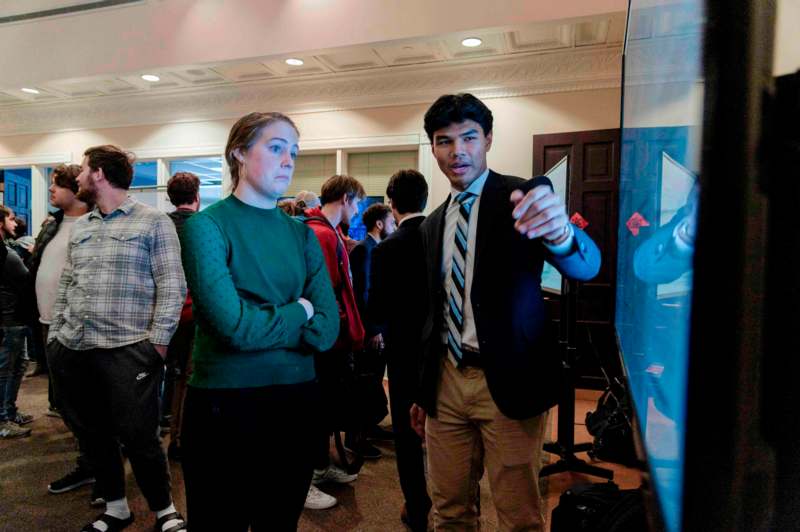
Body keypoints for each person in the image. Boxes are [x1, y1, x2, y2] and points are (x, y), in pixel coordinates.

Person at [410, 93, 601, 530]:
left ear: (488, 139)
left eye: (469, 137)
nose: (457, 151)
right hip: (445, 382)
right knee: (448, 509)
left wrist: (561, 234)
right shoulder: (433, 223)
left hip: (510, 382)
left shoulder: (524, 196)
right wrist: (423, 390)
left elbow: (585, 266)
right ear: (434, 148)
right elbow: (432, 313)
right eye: (444, 141)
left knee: (518, 515)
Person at [180, 112, 339, 530]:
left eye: (294, 152)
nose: (288, 160)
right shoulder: (206, 226)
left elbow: (327, 328)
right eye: (275, 147)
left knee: (279, 522)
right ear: (238, 152)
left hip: (296, 402)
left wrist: (270, 321)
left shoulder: (303, 233)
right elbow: (232, 327)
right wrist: (298, 310)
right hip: (224, 405)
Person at [47, 145, 188, 532]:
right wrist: (56, 335)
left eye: (83, 170)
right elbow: (67, 285)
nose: (77, 178)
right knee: (94, 436)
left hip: (129, 350)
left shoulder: (153, 222)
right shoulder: (83, 226)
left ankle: (164, 511)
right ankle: (116, 508)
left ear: (99, 174)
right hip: (75, 347)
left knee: (140, 436)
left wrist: (156, 346)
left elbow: (172, 286)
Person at [28, 164, 101, 504]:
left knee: (90, 404)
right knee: (67, 404)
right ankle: (91, 462)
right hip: (48, 323)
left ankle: (100, 468)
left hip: (79, 327)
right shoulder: (54, 224)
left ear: (77, 189)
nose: (50, 192)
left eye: (56, 186)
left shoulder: (95, 224)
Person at [367, 169, 432, 530]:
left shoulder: (387, 248)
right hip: (442, 351)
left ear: (391, 204)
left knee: (407, 438)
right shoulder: (440, 237)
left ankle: (418, 507)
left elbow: (376, 308)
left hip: (404, 353)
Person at [301, 174, 366, 510]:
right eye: (356, 203)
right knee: (317, 408)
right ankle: (308, 478)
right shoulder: (320, 233)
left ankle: (322, 467)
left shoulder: (328, 232)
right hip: (324, 339)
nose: (357, 212)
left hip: (331, 338)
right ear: (345, 199)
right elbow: (322, 293)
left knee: (325, 407)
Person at [346, 202, 395, 459]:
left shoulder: (375, 248)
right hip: (369, 332)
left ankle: (370, 427)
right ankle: (356, 439)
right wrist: (374, 329)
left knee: (373, 382)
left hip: (377, 329)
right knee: (365, 384)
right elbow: (362, 294)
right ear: (379, 223)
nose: (394, 225)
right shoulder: (365, 250)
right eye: (391, 221)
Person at [161, 171, 201, 460]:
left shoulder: (160, 225)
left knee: (154, 375)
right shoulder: (203, 227)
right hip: (191, 312)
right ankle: (179, 439)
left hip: (161, 310)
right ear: (197, 196)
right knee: (185, 379)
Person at [0, 205, 33, 439]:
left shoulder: (8, 249)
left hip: (15, 318)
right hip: (8, 320)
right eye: (11, 219)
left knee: (19, 365)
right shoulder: (5, 254)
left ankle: (9, 412)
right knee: (5, 369)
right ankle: (2, 419)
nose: (15, 223)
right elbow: (26, 280)